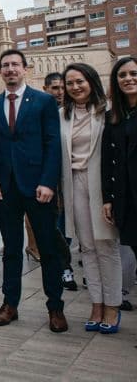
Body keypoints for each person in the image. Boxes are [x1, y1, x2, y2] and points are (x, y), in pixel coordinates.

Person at [0, 49, 67, 333]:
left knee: (48, 248)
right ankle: (10, 304)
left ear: (25, 69)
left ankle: (55, 307)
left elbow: (52, 143)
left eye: (15, 65)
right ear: (0, 71)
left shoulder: (43, 101)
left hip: (37, 187)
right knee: (11, 251)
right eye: (5, 65)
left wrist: (48, 182)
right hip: (6, 188)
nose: (10, 69)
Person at [59, 63, 121, 333]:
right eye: (70, 83)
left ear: (91, 81)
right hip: (73, 183)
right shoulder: (62, 115)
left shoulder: (107, 112)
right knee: (86, 247)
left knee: (106, 245)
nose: (75, 87)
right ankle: (96, 303)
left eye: (80, 81)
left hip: (101, 184)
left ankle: (112, 306)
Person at [102, 55, 137, 332]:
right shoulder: (115, 118)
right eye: (123, 75)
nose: (129, 79)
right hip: (127, 198)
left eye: (133, 74)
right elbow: (108, 161)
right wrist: (109, 198)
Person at [43, 72, 78, 292]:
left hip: (76, 177)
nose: (60, 92)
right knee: (58, 226)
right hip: (52, 181)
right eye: (55, 88)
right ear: (46, 89)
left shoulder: (76, 113)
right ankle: (65, 268)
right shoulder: (45, 113)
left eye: (63, 87)